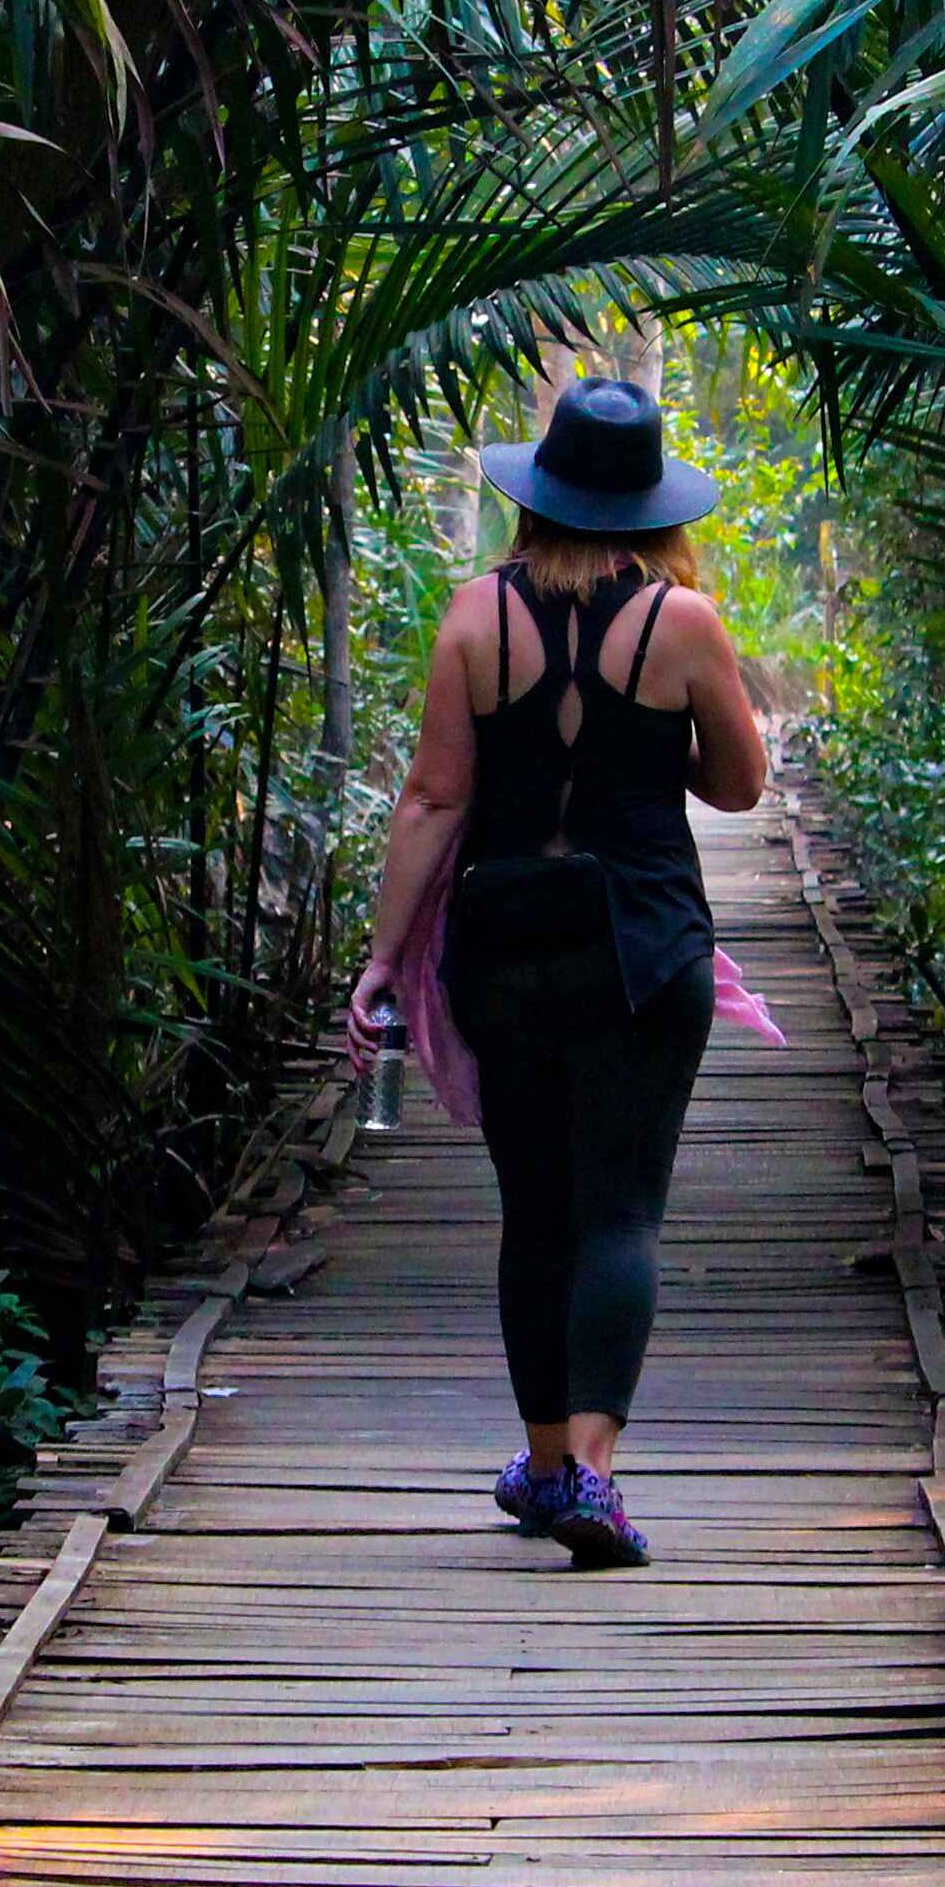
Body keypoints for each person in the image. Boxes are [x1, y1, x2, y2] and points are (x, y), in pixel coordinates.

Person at [346, 377, 772, 1570]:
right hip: (643, 947)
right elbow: (738, 788)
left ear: (535, 498)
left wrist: (383, 962)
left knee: (535, 1213)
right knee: (621, 1209)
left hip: (508, 944)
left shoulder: (475, 614)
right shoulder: (683, 622)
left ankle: (540, 1469)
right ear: (649, 509)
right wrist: (657, 750)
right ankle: (593, 1473)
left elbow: (436, 795)